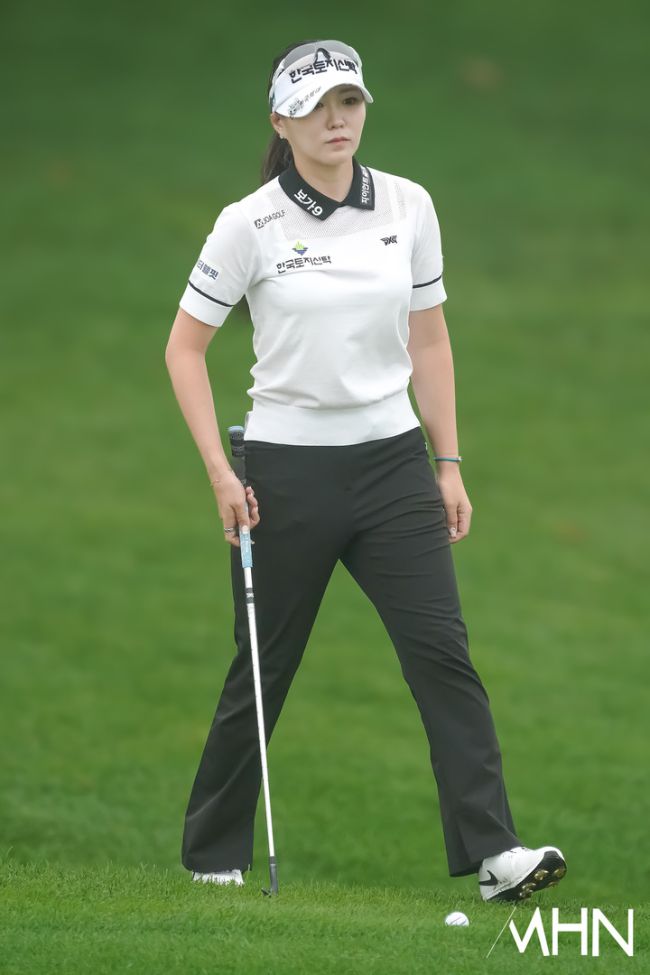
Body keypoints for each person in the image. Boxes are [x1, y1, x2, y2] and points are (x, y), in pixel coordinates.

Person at [164, 38, 567, 903]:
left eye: (347, 102)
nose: (336, 120)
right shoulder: (249, 223)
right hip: (285, 472)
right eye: (315, 108)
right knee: (262, 667)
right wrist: (220, 475)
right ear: (281, 123)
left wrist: (447, 463)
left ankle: (496, 854)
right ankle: (211, 852)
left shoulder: (409, 205)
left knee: (442, 655)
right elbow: (184, 349)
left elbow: (430, 339)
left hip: (393, 466)